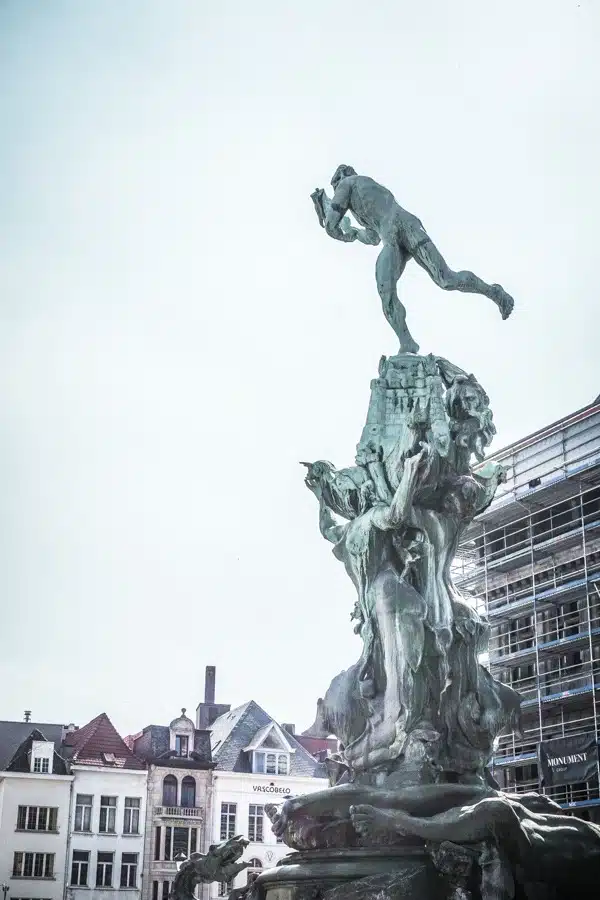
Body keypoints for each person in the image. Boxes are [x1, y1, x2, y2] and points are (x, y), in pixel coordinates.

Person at [312, 165, 514, 355]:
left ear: (340, 178)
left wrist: (334, 225)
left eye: (335, 186)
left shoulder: (349, 183)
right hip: (401, 229)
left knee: (392, 290)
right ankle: (409, 341)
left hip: (396, 231)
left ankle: (407, 340)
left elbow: (332, 223)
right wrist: (354, 232)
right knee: (441, 279)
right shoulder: (367, 194)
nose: (336, 189)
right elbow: (373, 237)